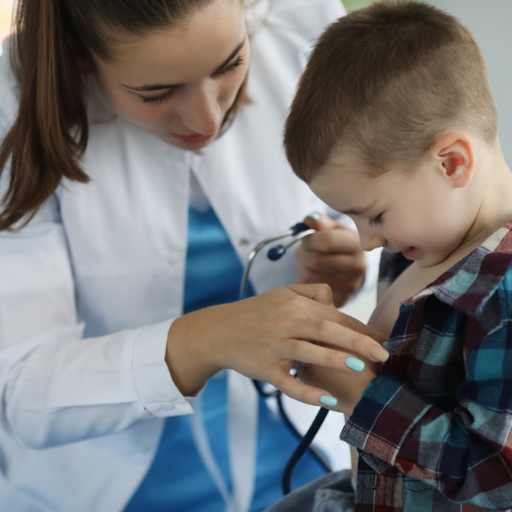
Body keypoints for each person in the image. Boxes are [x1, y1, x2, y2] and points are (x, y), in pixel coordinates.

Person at [0, 0, 390, 510]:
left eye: (231, 63)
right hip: (108, 485)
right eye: (156, 92)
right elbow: (23, 391)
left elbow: (358, 204)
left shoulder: (303, 23)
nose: (208, 118)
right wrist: (202, 342)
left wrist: (342, 262)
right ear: (79, 57)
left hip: (297, 460)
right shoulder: (14, 100)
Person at [276, 1, 512, 510]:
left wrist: (361, 394)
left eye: (375, 216)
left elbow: (497, 474)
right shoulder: (419, 247)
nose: (365, 240)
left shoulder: (503, 295)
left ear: (451, 162)